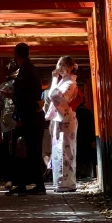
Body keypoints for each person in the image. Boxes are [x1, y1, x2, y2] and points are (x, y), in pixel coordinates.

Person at [7, 42, 46, 195]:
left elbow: (23, 97)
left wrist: (14, 99)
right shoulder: (32, 70)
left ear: (16, 55)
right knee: (28, 150)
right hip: (34, 114)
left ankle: (36, 185)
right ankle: (24, 184)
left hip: (29, 116)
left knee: (28, 151)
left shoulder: (24, 71)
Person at [45, 56, 78, 193]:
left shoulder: (69, 83)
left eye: (62, 65)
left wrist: (54, 79)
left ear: (70, 68)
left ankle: (66, 183)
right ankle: (61, 182)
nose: (59, 68)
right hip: (60, 120)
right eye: (58, 65)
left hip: (65, 120)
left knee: (65, 151)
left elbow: (53, 96)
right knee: (60, 151)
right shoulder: (64, 82)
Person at [0, 62, 18, 186]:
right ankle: (22, 177)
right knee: (21, 149)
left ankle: (10, 178)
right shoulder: (23, 85)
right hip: (21, 122)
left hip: (7, 123)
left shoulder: (4, 86)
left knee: (8, 150)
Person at [75, 101, 96, 178]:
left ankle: (78, 169)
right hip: (86, 136)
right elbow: (91, 125)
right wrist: (92, 138)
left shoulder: (74, 112)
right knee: (86, 154)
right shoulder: (88, 112)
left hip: (77, 136)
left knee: (78, 153)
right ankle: (85, 169)